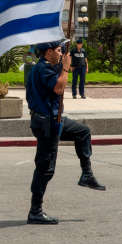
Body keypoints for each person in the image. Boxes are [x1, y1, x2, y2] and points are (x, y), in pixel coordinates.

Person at [26, 40, 105, 225]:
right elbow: (59, 87)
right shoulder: (42, 69)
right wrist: (66, 68)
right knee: (45, 168)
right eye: (59, 50)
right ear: (48, 52)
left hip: (55, 120)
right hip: (47, 123)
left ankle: (86, 174)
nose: (62, 53)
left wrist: (62, 66)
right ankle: (35, 211)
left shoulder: (48, 66)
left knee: (82, 132)